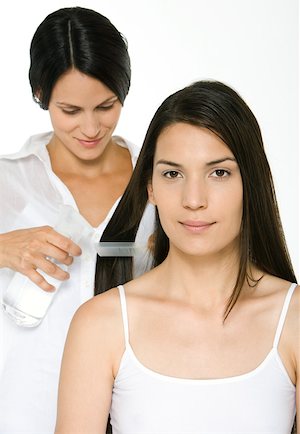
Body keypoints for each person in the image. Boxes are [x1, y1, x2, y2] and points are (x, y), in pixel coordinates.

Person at [55, 80, 299, 434]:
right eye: (173, 173)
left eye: (219, 173)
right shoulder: (100, 325)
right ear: (150, 187)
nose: (194, 199)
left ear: (251, 182)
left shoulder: (293, 320)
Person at [0, 7, 153, 433]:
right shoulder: (8, 180)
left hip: (140, 407)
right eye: (70, 110)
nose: (90, 128)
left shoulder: (163, 178)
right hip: (27, 408)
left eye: (106, 106)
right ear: (39, 94)